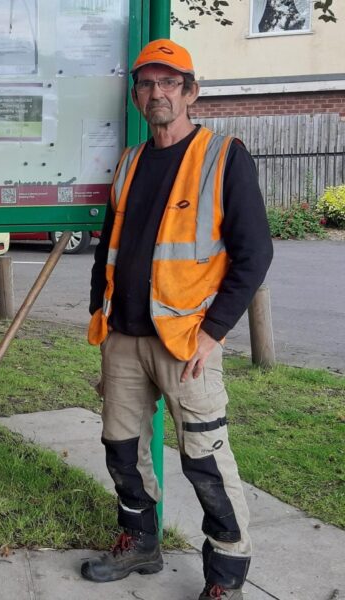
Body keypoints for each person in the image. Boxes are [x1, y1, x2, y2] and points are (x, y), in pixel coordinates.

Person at [83, 39, 273, 600]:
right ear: (138, 95)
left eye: (170, 82)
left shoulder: (224, 155)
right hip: (124, 336)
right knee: (121, 448)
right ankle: (140, 541)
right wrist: (102, 315)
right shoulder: (130, 161)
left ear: (190, 91)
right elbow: (107, 249)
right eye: (147, 83)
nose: (157, 92)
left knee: (205, 462)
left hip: (187, 341)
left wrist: (213, 333)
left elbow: (254, 254)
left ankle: (226, 575)